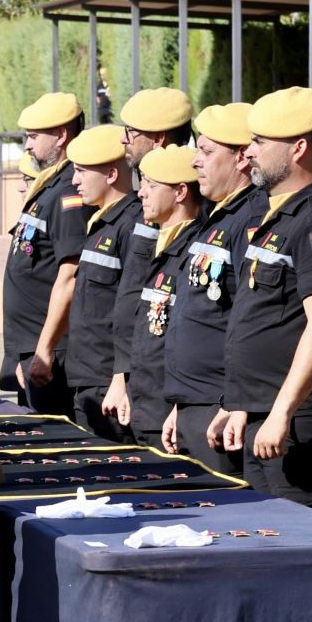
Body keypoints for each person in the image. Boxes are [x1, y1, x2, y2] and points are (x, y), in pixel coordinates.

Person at [209, 88, 312, 515]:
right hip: (263, 413)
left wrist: (281, 411)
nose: (248, 151)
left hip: (297, 422)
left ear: (299, 149)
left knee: (301, 543)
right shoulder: (277, 217)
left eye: (260, 142)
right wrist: (238, 404)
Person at [160, 102, 263, 475]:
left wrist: (234, 401)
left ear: (241, 158)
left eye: (206, 152)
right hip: (194, 403)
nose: (195, 162)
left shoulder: (251, 219)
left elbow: (250, 319)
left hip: (220, 409)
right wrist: (180, 403)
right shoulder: (218, 217)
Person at [106, 145, 199, 445]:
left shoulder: (193, 248)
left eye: (151, 185)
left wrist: (179, 404)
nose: (141, 193)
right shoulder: (159, 242)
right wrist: (129, 387)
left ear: (180, 192)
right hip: (145, 403)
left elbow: (189, 338)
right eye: (142, 183)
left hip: (169, 409)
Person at [0, 92, 85, 415]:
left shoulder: (67, 193)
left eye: (34, 137)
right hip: (32, 349)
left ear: (61, 135)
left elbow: (71, 272)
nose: (27, 146)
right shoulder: (48, 188)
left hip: (51, 353)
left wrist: (44, 349)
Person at [56, 123, 141, 443]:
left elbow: (131, 308)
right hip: (86, 377)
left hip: (109, 382)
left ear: (110, 174)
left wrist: (122, 379)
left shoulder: (131, 225)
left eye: (81, 171)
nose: (74, 180)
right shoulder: (102, 223)